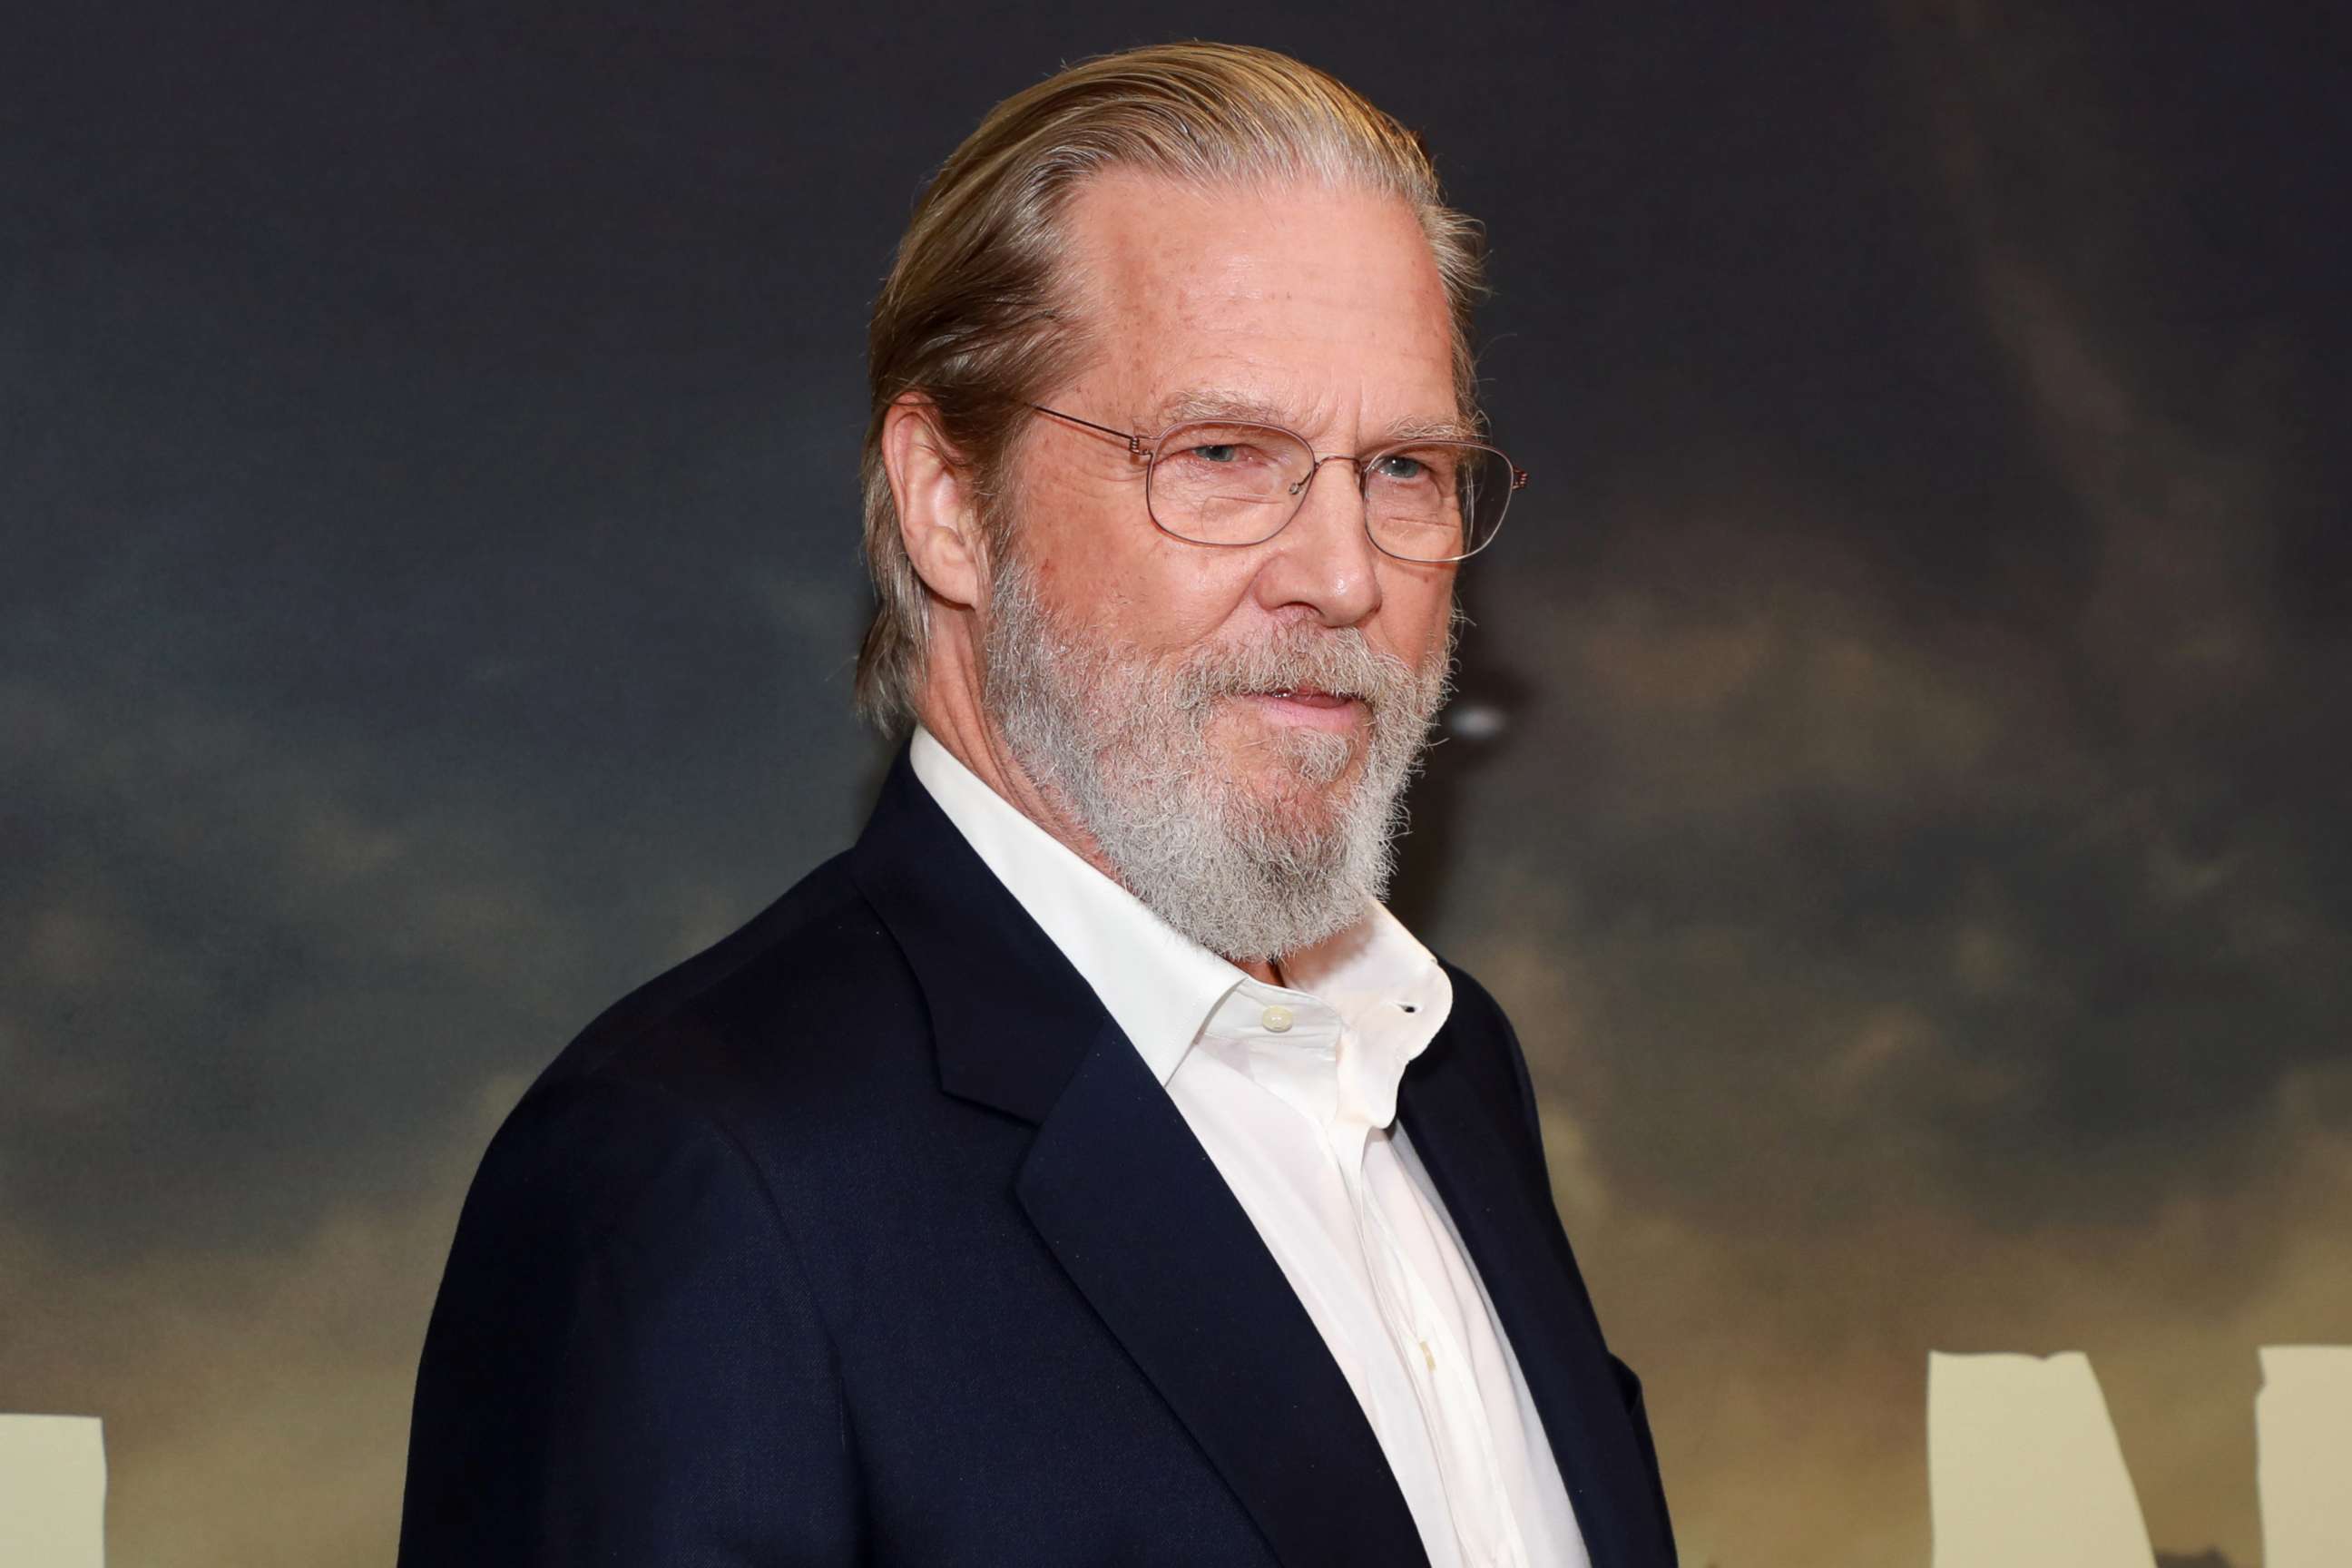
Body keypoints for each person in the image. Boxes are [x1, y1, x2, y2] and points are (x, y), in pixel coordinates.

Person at [397, 42, 1675, 1568]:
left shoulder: (1448, 1076)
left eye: (1403, 468)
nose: (1346, 575)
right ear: (949, 501)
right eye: (1220, 456)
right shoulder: (698, 1175)